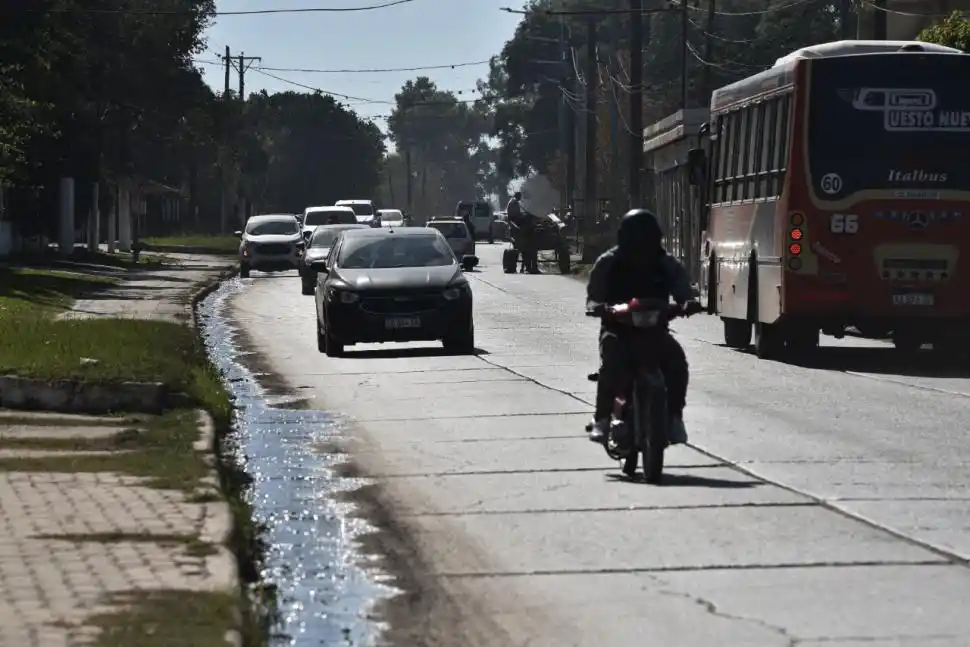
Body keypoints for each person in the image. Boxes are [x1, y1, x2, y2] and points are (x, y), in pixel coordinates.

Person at [585, 208, 695, 446]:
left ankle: (674, 417)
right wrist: (598, 307)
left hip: (655, 332)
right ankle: (602, 418)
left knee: (677, 362)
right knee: (611, 364)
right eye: (636, 237)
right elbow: (594, 295)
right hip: (618, 330)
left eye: (647, 237)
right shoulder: (609, 262)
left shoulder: (665, 263)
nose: (641, 244)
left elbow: (683, 288)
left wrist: (688, 302)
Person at [507, 192, 539, 273]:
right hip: (515, 220)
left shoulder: (514, 202)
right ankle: (530, 268)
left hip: (517, 220)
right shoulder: (514, 202)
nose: (520, 198)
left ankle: (528, 267)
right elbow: (516, 214)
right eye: (520, 197)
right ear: (517, 196)